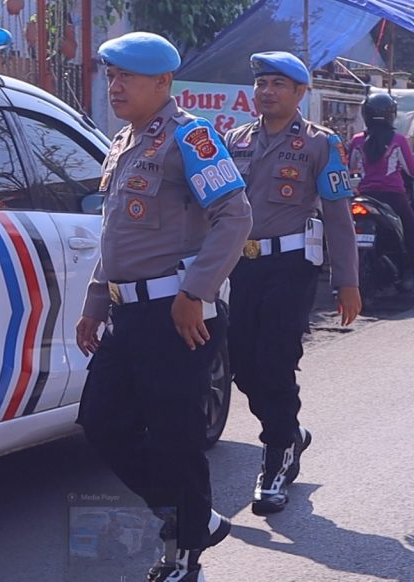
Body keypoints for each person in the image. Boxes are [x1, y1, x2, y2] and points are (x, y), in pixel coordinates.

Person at [75, 32, 252, 582]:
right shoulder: (124, 142)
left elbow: (235, 216)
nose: (116, 86)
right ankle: (195, 517)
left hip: (178, 314)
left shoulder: (190, 139)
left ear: (163, 82)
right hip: (127, 314)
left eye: (127, 76)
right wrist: (94, 305)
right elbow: (117, 236)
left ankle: (183, 552)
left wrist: (195, 293)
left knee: (174, 433)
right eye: (111, 75)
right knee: (101, 421)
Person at [223, 51, 361, 516]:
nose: (267, 91)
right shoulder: (234, 140)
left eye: (278, 84)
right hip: (243, 267)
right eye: (262, 83)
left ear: (301, 93)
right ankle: (291, 432)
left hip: (293, 267)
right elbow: (215, 210)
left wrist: (348, 282)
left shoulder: (321, 145)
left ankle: (277, 457)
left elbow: (340, 218)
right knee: (240, 363)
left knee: (276, 360)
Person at [349, 92, 414, 289]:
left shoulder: (357, 140)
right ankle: (410, 273)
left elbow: (349, 167)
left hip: (364, 196)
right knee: (410, 229)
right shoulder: (398, 140)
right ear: (391, 115)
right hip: (393, 196)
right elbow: (410, 170)